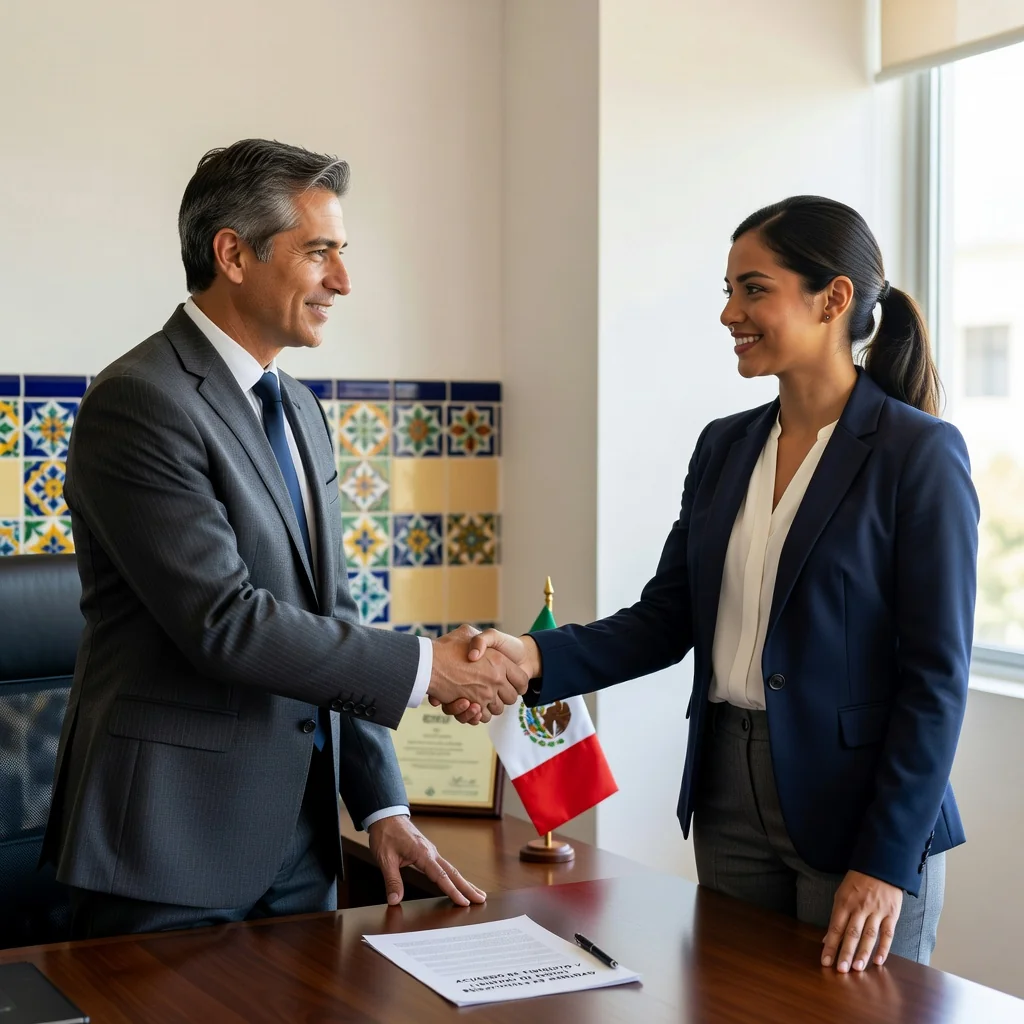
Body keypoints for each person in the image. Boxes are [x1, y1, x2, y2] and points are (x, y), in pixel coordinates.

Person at [449, 196, 979, 973]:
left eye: (754, 289)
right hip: (728, 792)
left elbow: (936, 680)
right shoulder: (725, 447)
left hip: (863, 809)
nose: (730, 312)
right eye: (727, 291)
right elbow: (667, 618)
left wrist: (888, 860)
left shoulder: (919, 454)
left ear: (833, 298)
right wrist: (526, 657)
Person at [42, 138, 528, 939]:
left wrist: (382, 804)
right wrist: (425, 668)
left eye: (342, 253)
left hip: (302, 848)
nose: (342, 280)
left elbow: (329, 612)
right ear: (232, 253)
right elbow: (223, 623)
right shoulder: (138, 402)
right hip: (169, 847)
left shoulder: (298, 407)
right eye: (319, 253)